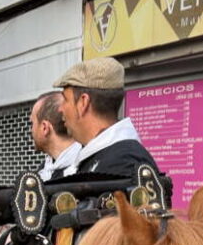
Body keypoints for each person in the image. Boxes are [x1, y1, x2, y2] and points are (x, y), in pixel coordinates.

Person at [54, 57, 166, 197]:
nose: (60, 109)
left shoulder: (122, 164)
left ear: (83, 102)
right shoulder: (106, 156)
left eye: (65, 99)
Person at [30, 91, 81, 181]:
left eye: (32, 123)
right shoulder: (43, 171)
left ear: (45, 128)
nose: (31, 130)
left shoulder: (85, 170)